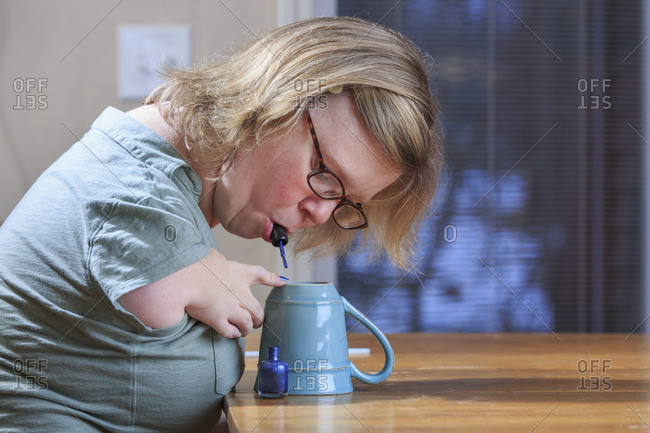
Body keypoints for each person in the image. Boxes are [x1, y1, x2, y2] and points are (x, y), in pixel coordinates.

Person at [0, 16, 444, 432]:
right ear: (271, 100)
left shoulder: (168, 169)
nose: (322, 213)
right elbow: (153, 298)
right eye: (327, 176)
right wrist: (207, 273)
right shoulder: (133, 185)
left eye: (348, 203)